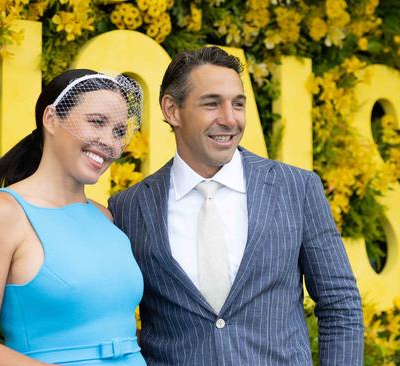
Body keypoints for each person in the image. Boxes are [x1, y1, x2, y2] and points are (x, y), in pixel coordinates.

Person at [109, 46, 364, 365]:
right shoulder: (128, 208)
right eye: (212, 104)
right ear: (172, 110)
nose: (229, 120)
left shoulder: (296, 188)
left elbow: (340, 305)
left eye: (238, 104)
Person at [0, 69, 147, 366]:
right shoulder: (1, 213)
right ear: (51, 119)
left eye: (118, 131)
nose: (109, 142)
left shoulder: (105, 218)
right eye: (97, 122)